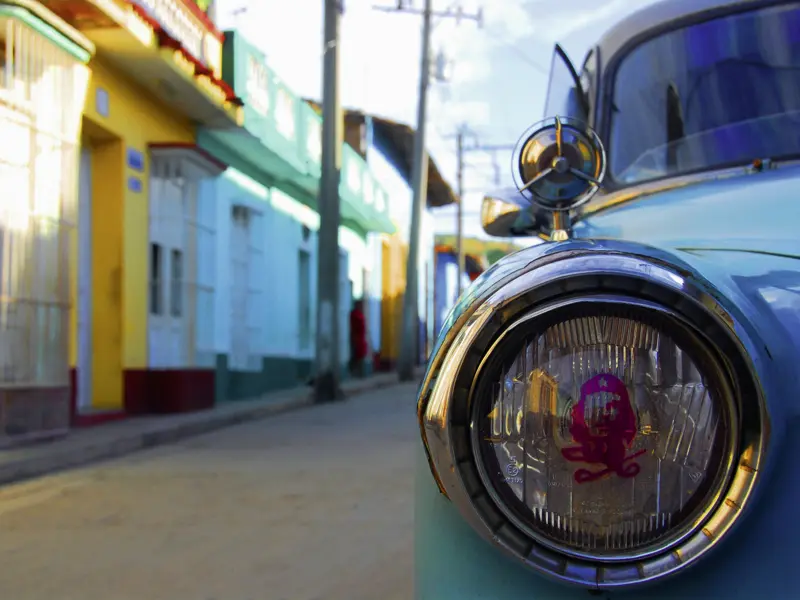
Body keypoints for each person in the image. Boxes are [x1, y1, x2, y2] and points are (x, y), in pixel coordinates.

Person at [349, 299, 368, 378]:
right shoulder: (356, 315)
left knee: (360, 357)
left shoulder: (360, 315)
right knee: (356, 357)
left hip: (360, 340)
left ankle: (359, 373)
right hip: (357, 339)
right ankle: (355, 372)